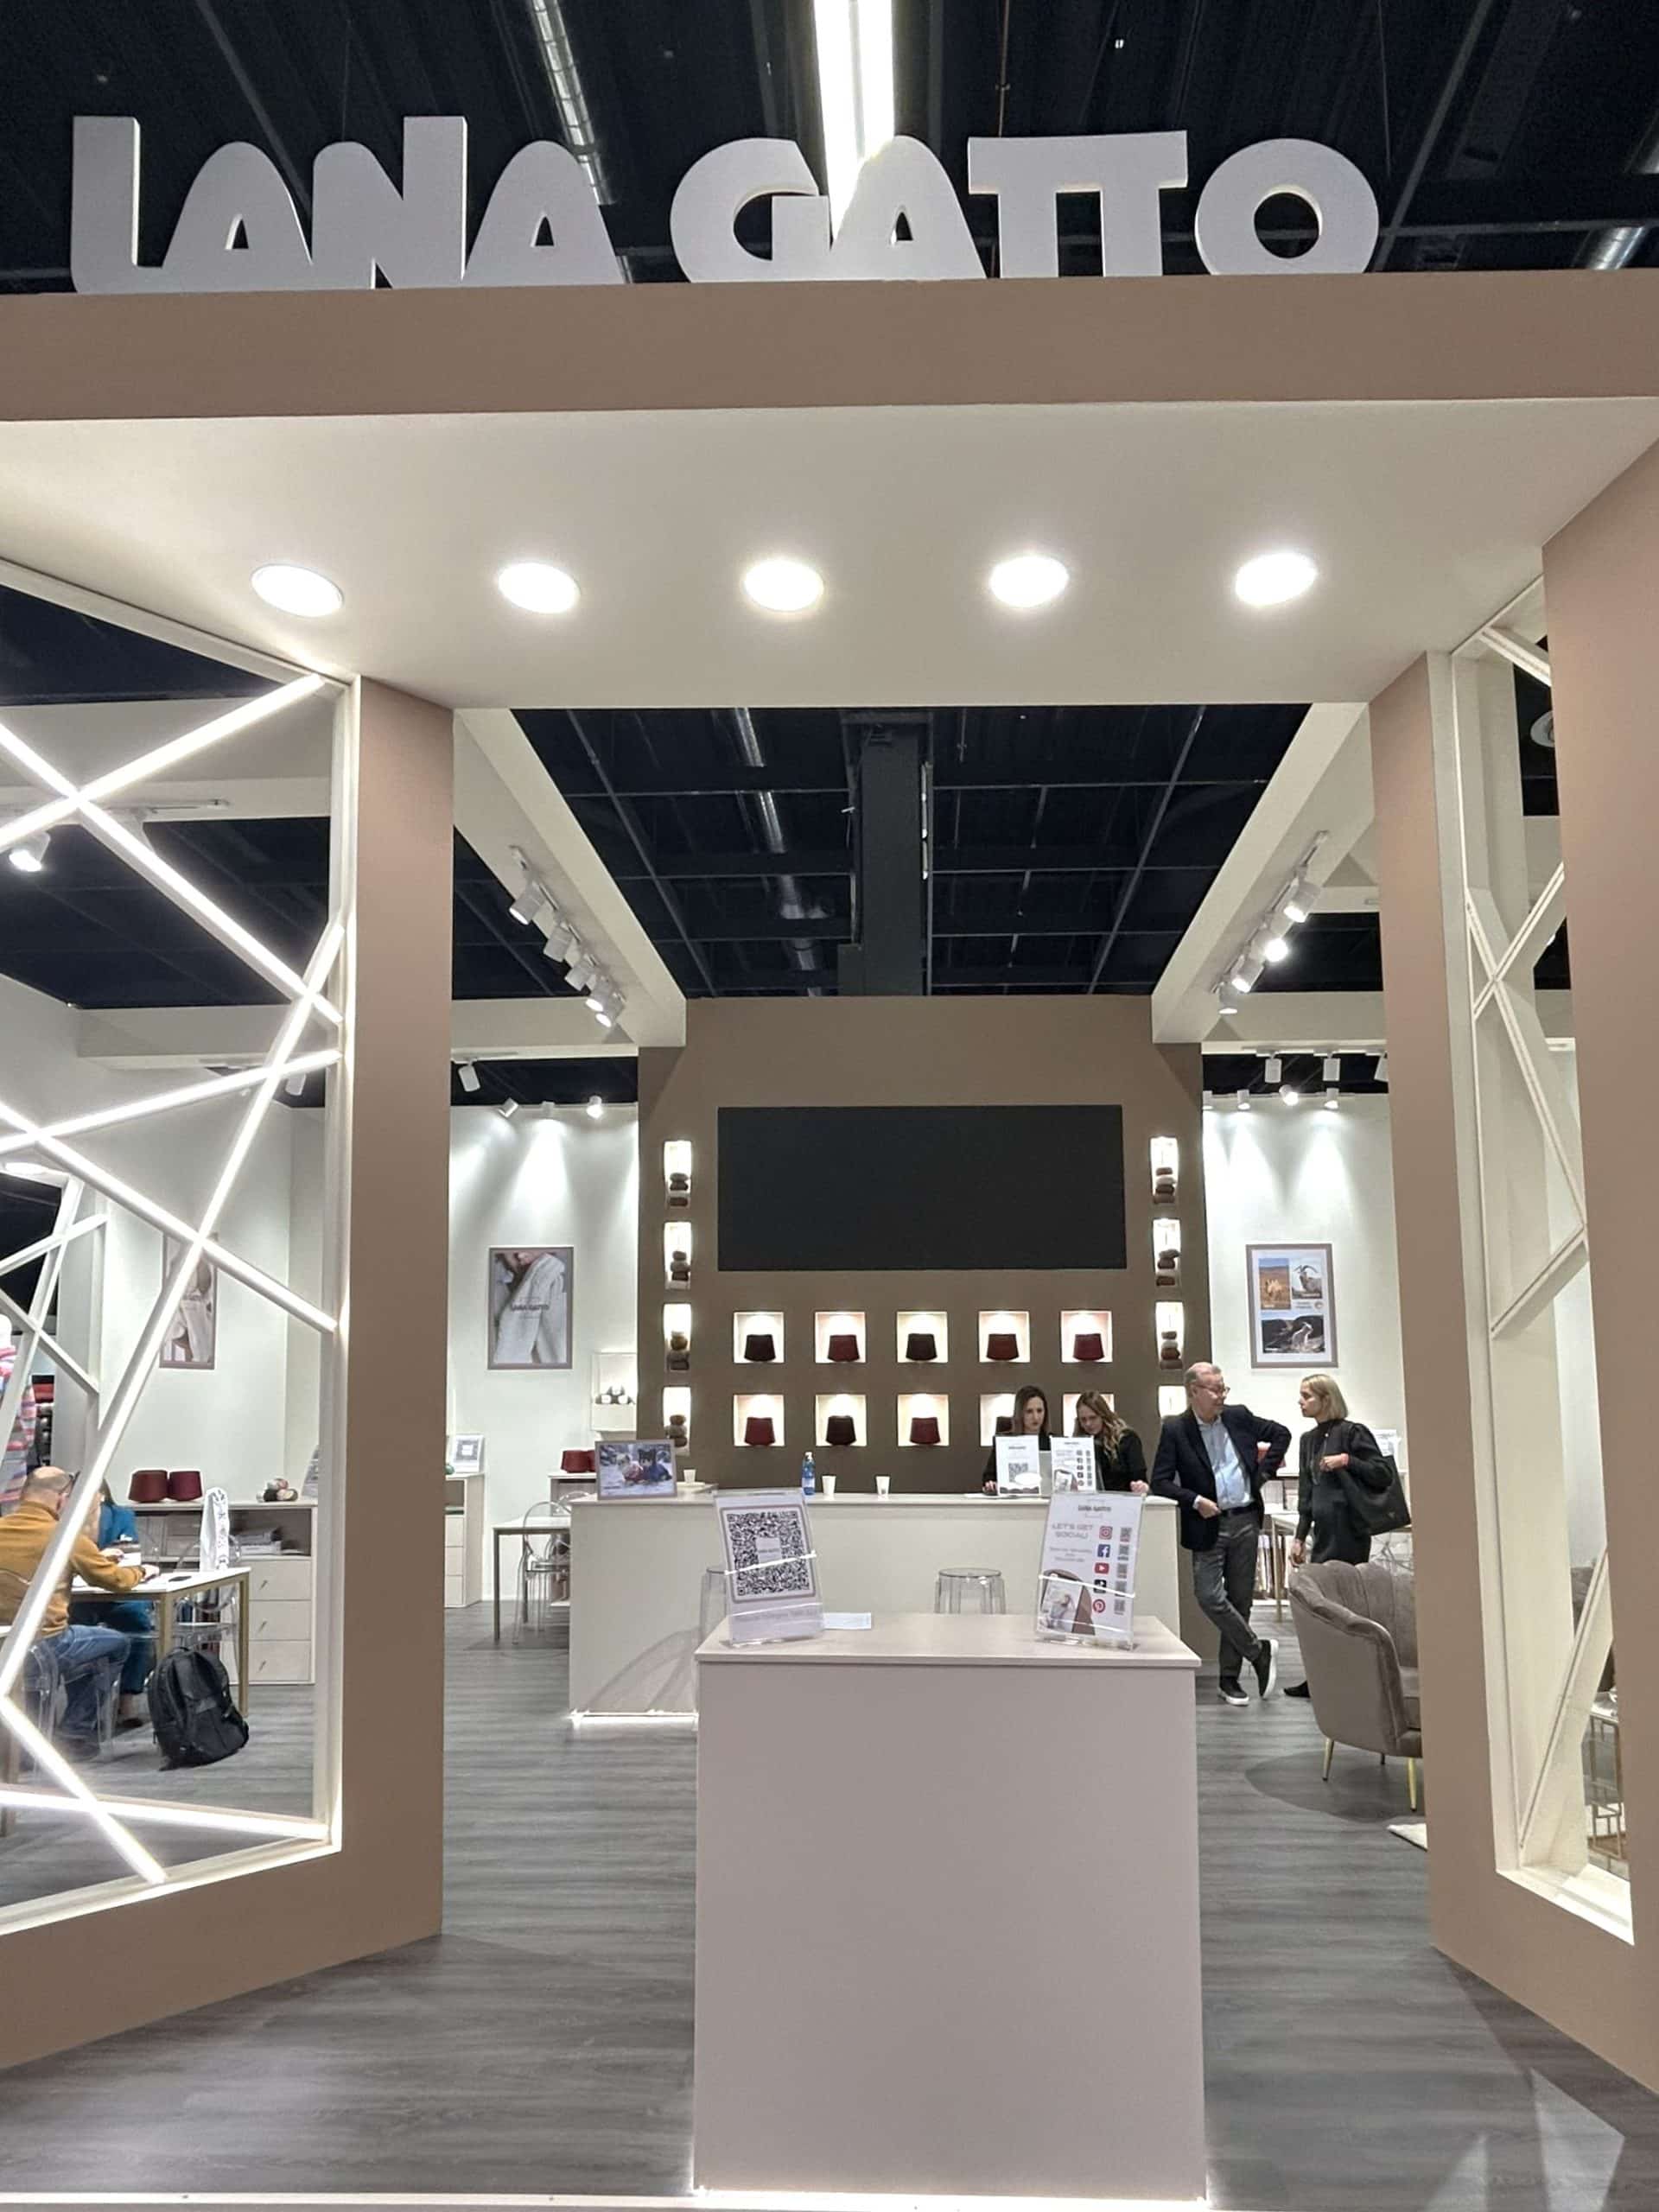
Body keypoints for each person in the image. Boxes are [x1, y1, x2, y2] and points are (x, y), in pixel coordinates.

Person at [1151, 1362, 1290, 1706]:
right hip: (1207, 1523)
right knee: (1209, 1596)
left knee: (1241, 1600)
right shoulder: (1176, 1429)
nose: (1221, 1396)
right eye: (1214, 1389)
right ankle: (1258, 1651)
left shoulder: (1237, 1416)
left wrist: (1262, 1474)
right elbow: (1160, 1481)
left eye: (1223, 1388)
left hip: (1245, 1519)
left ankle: (1229, 1679)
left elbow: (1281, 1434)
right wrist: (1195, 1500)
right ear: (1193, 1392)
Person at [0, 1466, 146, 1756]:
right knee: (116, 1643)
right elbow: (116, 1581)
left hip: (4, 1645)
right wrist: (141, 1572)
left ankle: (28, 1734)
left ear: (23, 1494)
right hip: (45, 1644)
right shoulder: (63, 1536)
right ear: (62, 1498)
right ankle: (74, 1734)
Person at [1284, 1374, 1392, 1697]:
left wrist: (1347, 1461)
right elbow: (1307, 1493)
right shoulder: (1308, 1440)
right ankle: (1321, 1678)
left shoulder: (1352, 1433)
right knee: (1320, 1606)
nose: (1301, 1401)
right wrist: (1300, 1536)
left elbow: (1382, 1473)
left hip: (1349, 1532)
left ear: (1326, 1399)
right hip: (1323, 1533)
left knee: (1344, 1605)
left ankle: (1349, 1677)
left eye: (1307, 1396)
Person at [67, 1480, 156, 1726]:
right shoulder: (63, 1521)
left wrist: (98, 1562)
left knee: (137, 1621)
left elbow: (128, 1555)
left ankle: (128, 1699)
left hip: (118, 1591)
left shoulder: (121, 1516)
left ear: (102, 1495)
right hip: (79, 1596)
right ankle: (81, 1708)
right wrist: (98, 1558)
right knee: (75, 1628)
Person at [490, 1248, 569, 1367]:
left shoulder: (572, 1296)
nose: (520, 1255)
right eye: (511, 1249)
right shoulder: (490, 1296)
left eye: (530, 1247)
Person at [1073, 1389, 1148, 1494]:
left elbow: (1139, 1477)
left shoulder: (1126, 1439)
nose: (1088, 1424)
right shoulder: (1078, 1443)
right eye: (1083, 1420)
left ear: (1103, 1416)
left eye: (1093, 1418)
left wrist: (1141, 1487)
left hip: (1122, 1498)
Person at [982, 1382, 1051, 1493]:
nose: (1036, 1417)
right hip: (1012, 1500)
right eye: (1029, 1411)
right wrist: (991, 1485)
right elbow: (988, 1478)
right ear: (1020, 1413)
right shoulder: (1004, 1443)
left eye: (1039, 1411)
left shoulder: (1052, 1442)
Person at [0, 1325, 39, 1515]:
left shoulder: (6, 1369)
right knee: (12, 1514)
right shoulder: (18, 1366)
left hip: (7, 1451)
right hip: (15, 1451)